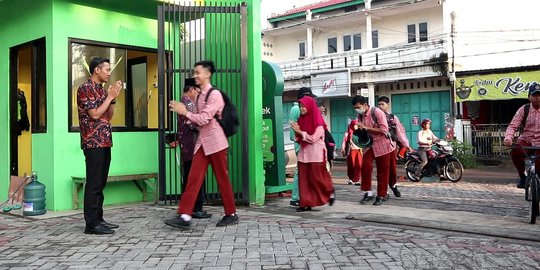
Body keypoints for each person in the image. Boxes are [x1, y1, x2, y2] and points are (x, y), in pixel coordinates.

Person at [165, 60, 238, 230]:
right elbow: (198, 121)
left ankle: (231, 214)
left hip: (217, 142)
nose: (195, 75)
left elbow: (204, 118)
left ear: (207, 74)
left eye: (198, 72)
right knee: (193, 178)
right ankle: (184, 216)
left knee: (222, 179)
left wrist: (185, 112)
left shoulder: (215, 95)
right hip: (202, 143)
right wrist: (186, 113)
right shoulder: (200, 96)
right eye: (194, 72)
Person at [77, 57, 122, 235]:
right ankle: (91, 224)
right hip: (92, 142)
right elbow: (95, 115)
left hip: (105, 140)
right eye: (107, 70)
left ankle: (99, 219)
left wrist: (112, 99)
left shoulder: (102, 91)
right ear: (97, 70)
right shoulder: (85, 88)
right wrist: (109, 96)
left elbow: (108, 116)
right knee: (94, 183)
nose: (109, 73)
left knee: (101, 182)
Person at [168, 78, 211, 219]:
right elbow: (193, 124)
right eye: (197, 90)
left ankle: (190, 207)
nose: (199, 92)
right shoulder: (189, 104)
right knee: (195, 178)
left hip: (187, 147)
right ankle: (195, 208)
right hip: (192, 146)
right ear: (191, 89)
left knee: (189, 177)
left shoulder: (184, 103)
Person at [290, 96, 335, 212]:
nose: (302, 109)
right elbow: (296, 138)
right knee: (304, 180)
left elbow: (313, 138)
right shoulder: (301, 120)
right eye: (300, 106)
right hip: (303, 155)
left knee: (317, 179)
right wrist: (297, 133)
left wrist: (300, 132)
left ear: (310, 107)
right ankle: (305, 203)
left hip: (316, 155)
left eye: (304, 106)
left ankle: (329, 191)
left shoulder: (318, 122)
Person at [352, 95, 395, 206]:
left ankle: (381, 195)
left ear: (365, 105)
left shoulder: (377, 112)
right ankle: (368, 192)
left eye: (358, 107)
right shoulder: (360, 116)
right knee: (365, 167)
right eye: (355, 107)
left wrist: (367, 128)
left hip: (382, 144)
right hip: (369, 144)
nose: (357, 109)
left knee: (383, 171)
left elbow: (384, 130)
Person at [504, 83, 540, 188]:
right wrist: (508, 138)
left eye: (539, 95)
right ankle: (522, 176)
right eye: (535, 95)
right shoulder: (524, 109)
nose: (538, 97)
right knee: (515, 151)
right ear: (529, 97)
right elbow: (513, 126)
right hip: (526, 141)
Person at [377, 96, 413, 197]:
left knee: (392, 169)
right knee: (381, 170)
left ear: (388, 105)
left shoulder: (393, 118)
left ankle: (393, 185)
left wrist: (406, 145)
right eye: (379, 104)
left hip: (390, 146)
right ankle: (384, 192)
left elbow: (400, 132)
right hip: (378, 147)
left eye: (382, 104)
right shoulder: (374, 118)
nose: (380, 107)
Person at [288, 87, 317, 207]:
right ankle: (296, 197)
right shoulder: (296, 109)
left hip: (305, 142)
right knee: (300, 171)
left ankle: (301, 196)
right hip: (301, 144)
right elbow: (292, 130)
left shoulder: (303, 108)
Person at [341, 120, 362, 185]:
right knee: (351, 165)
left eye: (357, 125)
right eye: (355, 125)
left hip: (359, 150)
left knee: (358, 165)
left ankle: (357, 179)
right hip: (351, 151)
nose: (356, 126)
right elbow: (344, 141)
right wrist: (343, 149)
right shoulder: (347, 133)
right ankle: (350, 179)